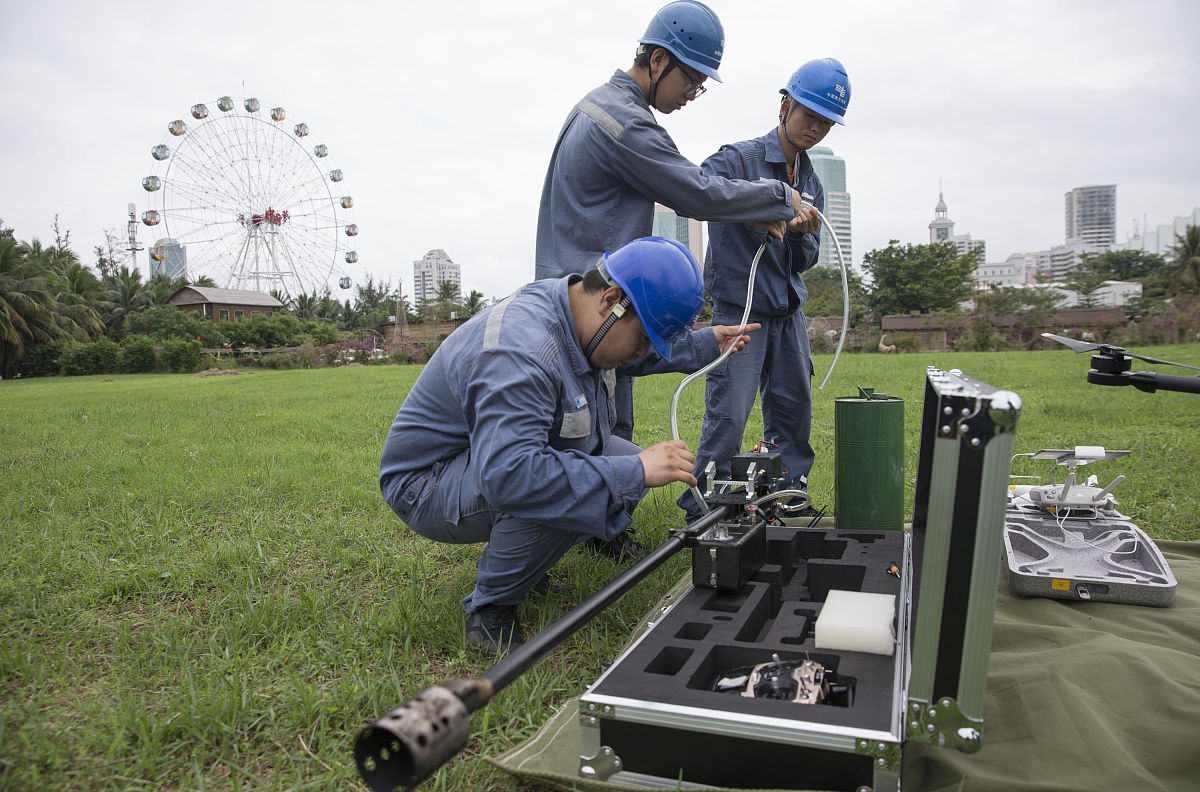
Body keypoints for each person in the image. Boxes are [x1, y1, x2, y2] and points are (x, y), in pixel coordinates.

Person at [380, 237, 759, 654]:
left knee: (612, 467)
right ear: (611, 300)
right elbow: (510, 475)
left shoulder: (577, 310)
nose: (641, 355)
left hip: (482, 459)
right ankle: (490, 610)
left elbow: (634, 350)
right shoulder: (521, 351)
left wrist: (708, 342)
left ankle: (525, 562)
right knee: (592, 481)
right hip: (426, 482)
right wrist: (633, 473)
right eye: (645, 338)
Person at [535, 0, 805, 559]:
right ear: (657, 61)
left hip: (586, 297)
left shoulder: (597, 108)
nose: (691, 93)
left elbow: (684, 192)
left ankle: (600, 533)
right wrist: (778, 196)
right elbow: (694, 190)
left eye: (701, 86)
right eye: (691, 80)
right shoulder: (624, 123)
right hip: (596, 305)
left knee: (605, 419)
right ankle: (578, 536)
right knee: (591, 430)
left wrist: (748, 211)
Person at [679, 58, 852, 522]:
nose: (815, 127)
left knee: (793, 411)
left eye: (825, 122)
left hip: (788, 311)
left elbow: (807, 257)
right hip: (740, 307)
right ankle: (707, 505)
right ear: (784, 105)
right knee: (730, 415)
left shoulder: (811, 179)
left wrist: (799, 233)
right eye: (808, 115)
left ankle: (787, 495)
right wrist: (763, 203)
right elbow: (699, 190)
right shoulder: (738, 158)